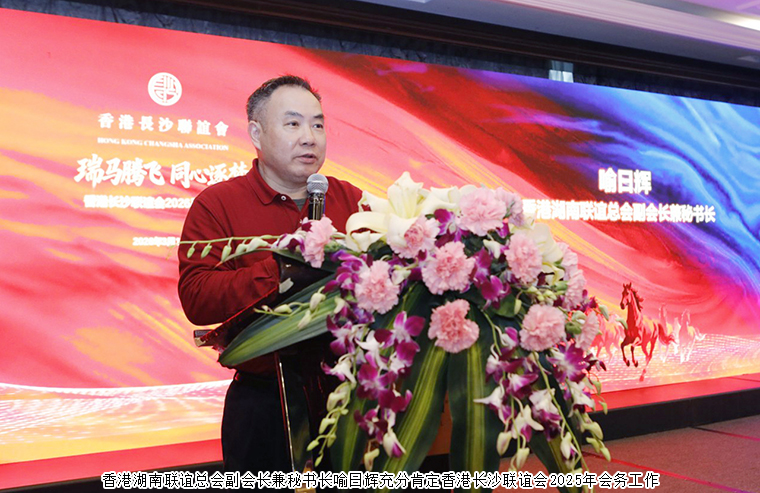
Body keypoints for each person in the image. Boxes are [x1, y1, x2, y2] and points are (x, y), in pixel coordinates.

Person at [178, 75, 363, 474]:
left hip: (352, 398)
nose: (310, 138)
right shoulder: (217, 204)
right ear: (256, 134)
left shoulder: (352, 200)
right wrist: (283, 267)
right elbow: (197, 296)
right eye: (293, 123)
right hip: (264, 406)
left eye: (318, 124)